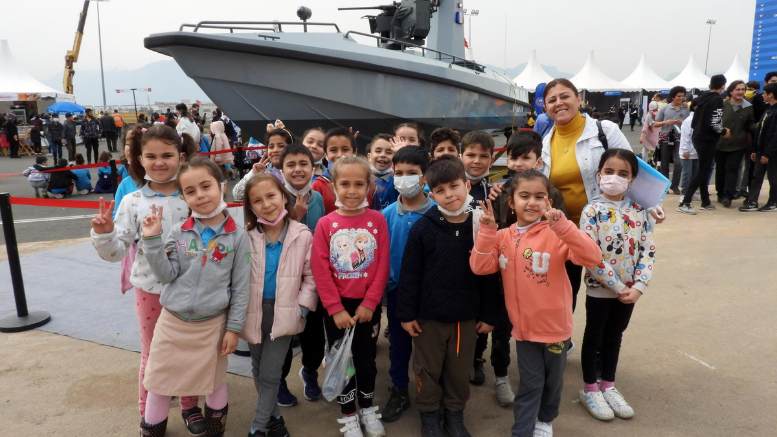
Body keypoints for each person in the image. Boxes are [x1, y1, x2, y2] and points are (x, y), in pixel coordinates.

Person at [91, 125, 204, 435]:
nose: (159, 162)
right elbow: (116, 252)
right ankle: (148, 413)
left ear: (181, 157)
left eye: (167, 155)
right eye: (151, 156)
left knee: (187, 350)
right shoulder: (133, 201)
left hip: (191, 288)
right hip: (150, 291)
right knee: (152, 352)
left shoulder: (194, 195)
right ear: (139, 158)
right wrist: (103, 234)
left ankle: (189, 405)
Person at [470, 170, 601, 437]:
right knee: (530, 383)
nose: (532, 202)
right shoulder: (503, 236)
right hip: (524, 330)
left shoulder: (556, 234)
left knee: (552, 382)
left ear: (549, 202)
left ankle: (546, 419)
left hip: (555, 329)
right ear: (511, 202)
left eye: (539, 196)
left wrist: (563, 227)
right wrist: (486, 229)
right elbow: (480, 266)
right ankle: (522, 430)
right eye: (524, 196)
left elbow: (592, 256)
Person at [136, 157, 249, 437]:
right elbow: (167, 275)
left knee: (214, 381)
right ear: (184, 196)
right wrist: (151, 241)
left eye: (206, 186)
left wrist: (234, 329)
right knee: (160, 381)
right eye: (190, 191)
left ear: (222, 187)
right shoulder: (178, 231)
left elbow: (241, 287)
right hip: (172, 324)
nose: (199, 195)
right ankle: (151, 432)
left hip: (212, 326)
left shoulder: (238, 237)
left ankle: (214, 431)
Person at [398, 156, 498, 437]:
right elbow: (410, 274)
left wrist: (490, 315)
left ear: (467, 184)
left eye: (454, 186)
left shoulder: (481, 224)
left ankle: (454, 415)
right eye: (440, 190)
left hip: (465, 318)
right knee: (427, 370)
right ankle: (429, 416)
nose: (449, 194)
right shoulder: (423, 228)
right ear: (432, 194)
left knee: (459, 371)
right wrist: (406, 314)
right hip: (429, 318)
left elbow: (490, 274)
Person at [311, 156, 390, 437]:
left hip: (367, 307)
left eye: (359, 184)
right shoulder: (325, 224)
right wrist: (334, 308)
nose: (352, 190)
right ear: (334, 186)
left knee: (366, 360)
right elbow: (320, 270)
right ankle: (348, 414)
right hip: (337, 309)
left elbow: (382, 266)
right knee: (342, 362)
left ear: (369, 186)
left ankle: (367, 407)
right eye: (345, 183)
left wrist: (371, 303)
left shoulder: (377, 220)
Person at [539, 78, 633, 315]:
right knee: (564, 293)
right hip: (564, 234)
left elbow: (632, 172)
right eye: (552, 100)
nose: (559, 103)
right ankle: (560, 343)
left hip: (605, 230)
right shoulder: (544, 144)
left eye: (565, 96)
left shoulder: (605, 131)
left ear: (578, 99)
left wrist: (649, 209)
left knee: (606, 295)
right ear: (545, 107)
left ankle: (600, 349)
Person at [578, 149, 655, 422]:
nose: (615, 178)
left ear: (632, 180)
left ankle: (608, 385)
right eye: (609, 171)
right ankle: (589, 388)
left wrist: (639, 286)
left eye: (623, 174)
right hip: (600, 290)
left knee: (615, 336)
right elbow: (590, 255)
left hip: (629, 292)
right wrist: (616, 285)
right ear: (599, 174)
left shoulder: (640, 212)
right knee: (594, 336)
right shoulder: (592, 211)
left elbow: (648, 251)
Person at [240, 172, 317, 437]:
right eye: (257, 200)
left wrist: (302, 308)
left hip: (284, 312)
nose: (267, 204)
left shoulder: (303, 235)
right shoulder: (246, 236)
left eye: (271, 195)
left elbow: (311, 278)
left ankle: (258, 428)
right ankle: (274, 418)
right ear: (251, 207)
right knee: (259, 369)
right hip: (252, 311)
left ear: (284, 197)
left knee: (271, 374)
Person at [381, 146, 435, 423]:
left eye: (412, 173)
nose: (404, 178)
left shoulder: (439, 211)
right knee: (399, 346)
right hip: (399, 291)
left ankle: (432, 396)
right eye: (398, 173)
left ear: (424, 177)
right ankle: (399, 389)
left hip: (432, 292)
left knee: (430, 348)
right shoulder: (387, 214)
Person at [678, 74, 731, 215]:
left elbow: (695, 121)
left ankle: (705, 201)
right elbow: (715, 122)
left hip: (698, 137)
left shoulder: (700, 99)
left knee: (703, 169)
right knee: (703, 170)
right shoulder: (717, 100)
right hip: (707, 139)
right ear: (723, 87)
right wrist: (724, 131)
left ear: (710, 85)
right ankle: (685, 202)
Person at [312, 127, 377, 214]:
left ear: (355, 152)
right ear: (325, 154)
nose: (339, 155)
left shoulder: (368, 185)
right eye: (333, 150)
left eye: (345, 149)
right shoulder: (318, 186)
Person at [715, 80, 757, 207]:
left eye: (743, 89)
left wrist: (757, 126)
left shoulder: (748, 107)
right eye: (737, 89)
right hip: (720, 143)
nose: (740, 92)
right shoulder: (722, 104)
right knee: (720, 169)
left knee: (732, 169)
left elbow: (750, 123)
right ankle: (720, 193)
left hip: (739, 144)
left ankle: (728, 195)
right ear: (731, 91)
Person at [741, 82, 777, 212]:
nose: (762, 95)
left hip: (771, 153)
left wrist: (768, 153)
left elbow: (775, 136)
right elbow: (760, 131)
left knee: (773, 178)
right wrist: (755, 149)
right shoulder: (768, 109)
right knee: (756, 176)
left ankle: (773, 201)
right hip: (760, 150)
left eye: (765, 93)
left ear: (771, 95)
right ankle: (752, 201)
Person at [654, 86, 690, 195]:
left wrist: (681, 122)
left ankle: (675, 185)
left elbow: (690, 123)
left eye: (683, 96)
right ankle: (665, 186)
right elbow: (655, 123)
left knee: (678, 162)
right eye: (679, 96)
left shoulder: (686, 109)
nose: (681, 98)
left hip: (679, 139)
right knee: (664, 163)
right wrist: (666, 122)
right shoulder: (665, 109)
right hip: (665, 138)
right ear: (673, 97)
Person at [367, 134, 397, 210]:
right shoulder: (362, 178)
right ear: (369, 156)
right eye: (378, 151)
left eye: (389, 152)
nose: (383, 155)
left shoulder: (397, 180)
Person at [679, 100, 701, 201]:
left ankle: (691, 192)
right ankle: (684, 193)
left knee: (695, 173)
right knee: (687, 173)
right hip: (687, 151)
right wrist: (685, 150)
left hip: (697, 151)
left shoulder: (700, 119)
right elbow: (684, 137)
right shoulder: (688, 121)